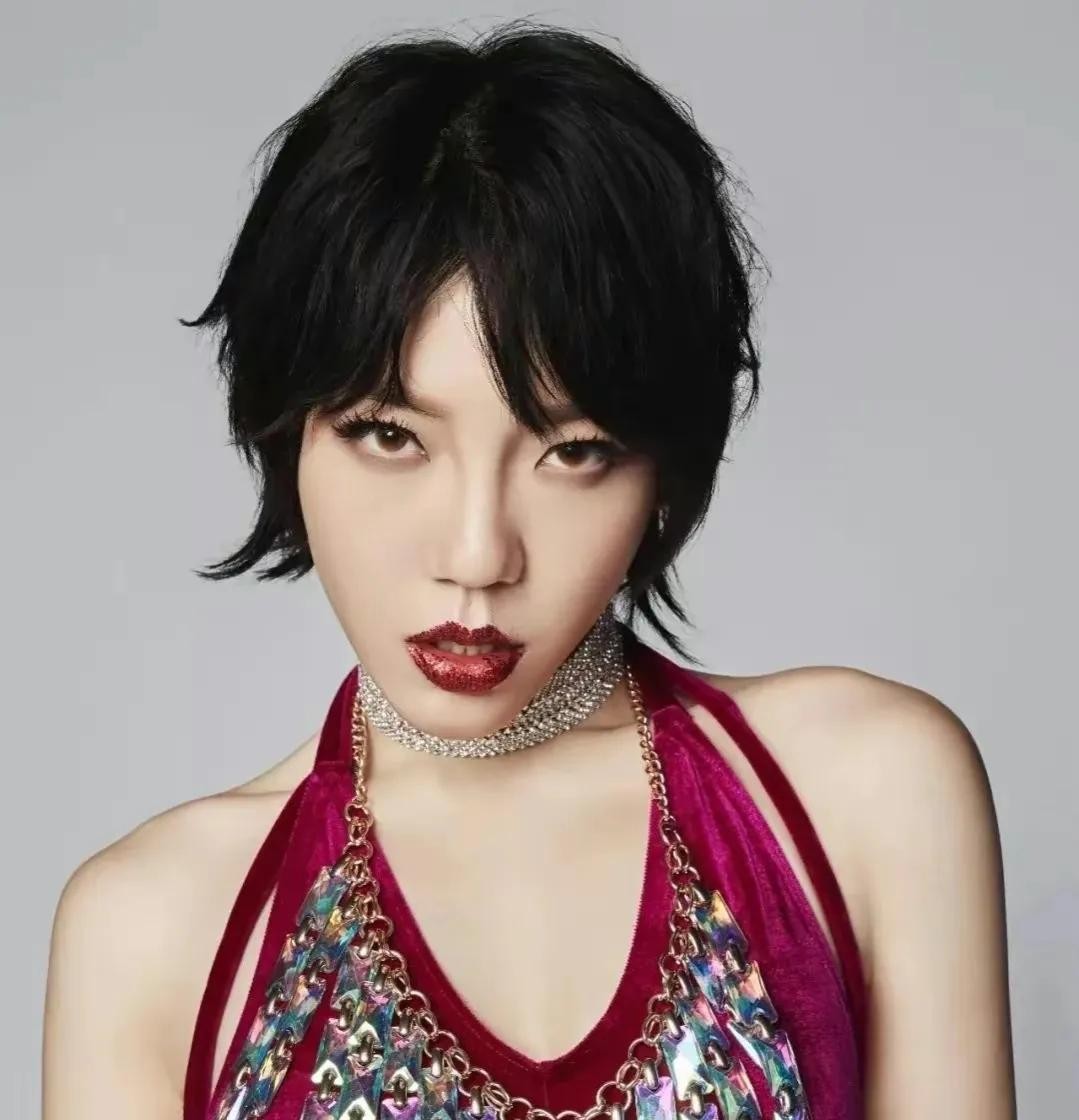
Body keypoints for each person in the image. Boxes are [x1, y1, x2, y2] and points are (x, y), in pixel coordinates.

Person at [41, 20, 1016, 1120]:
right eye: (389, 434)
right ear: (285, 430)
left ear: (662, 469)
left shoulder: (863, 795)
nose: (476, 556)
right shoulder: (154, 931)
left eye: (573, 452)